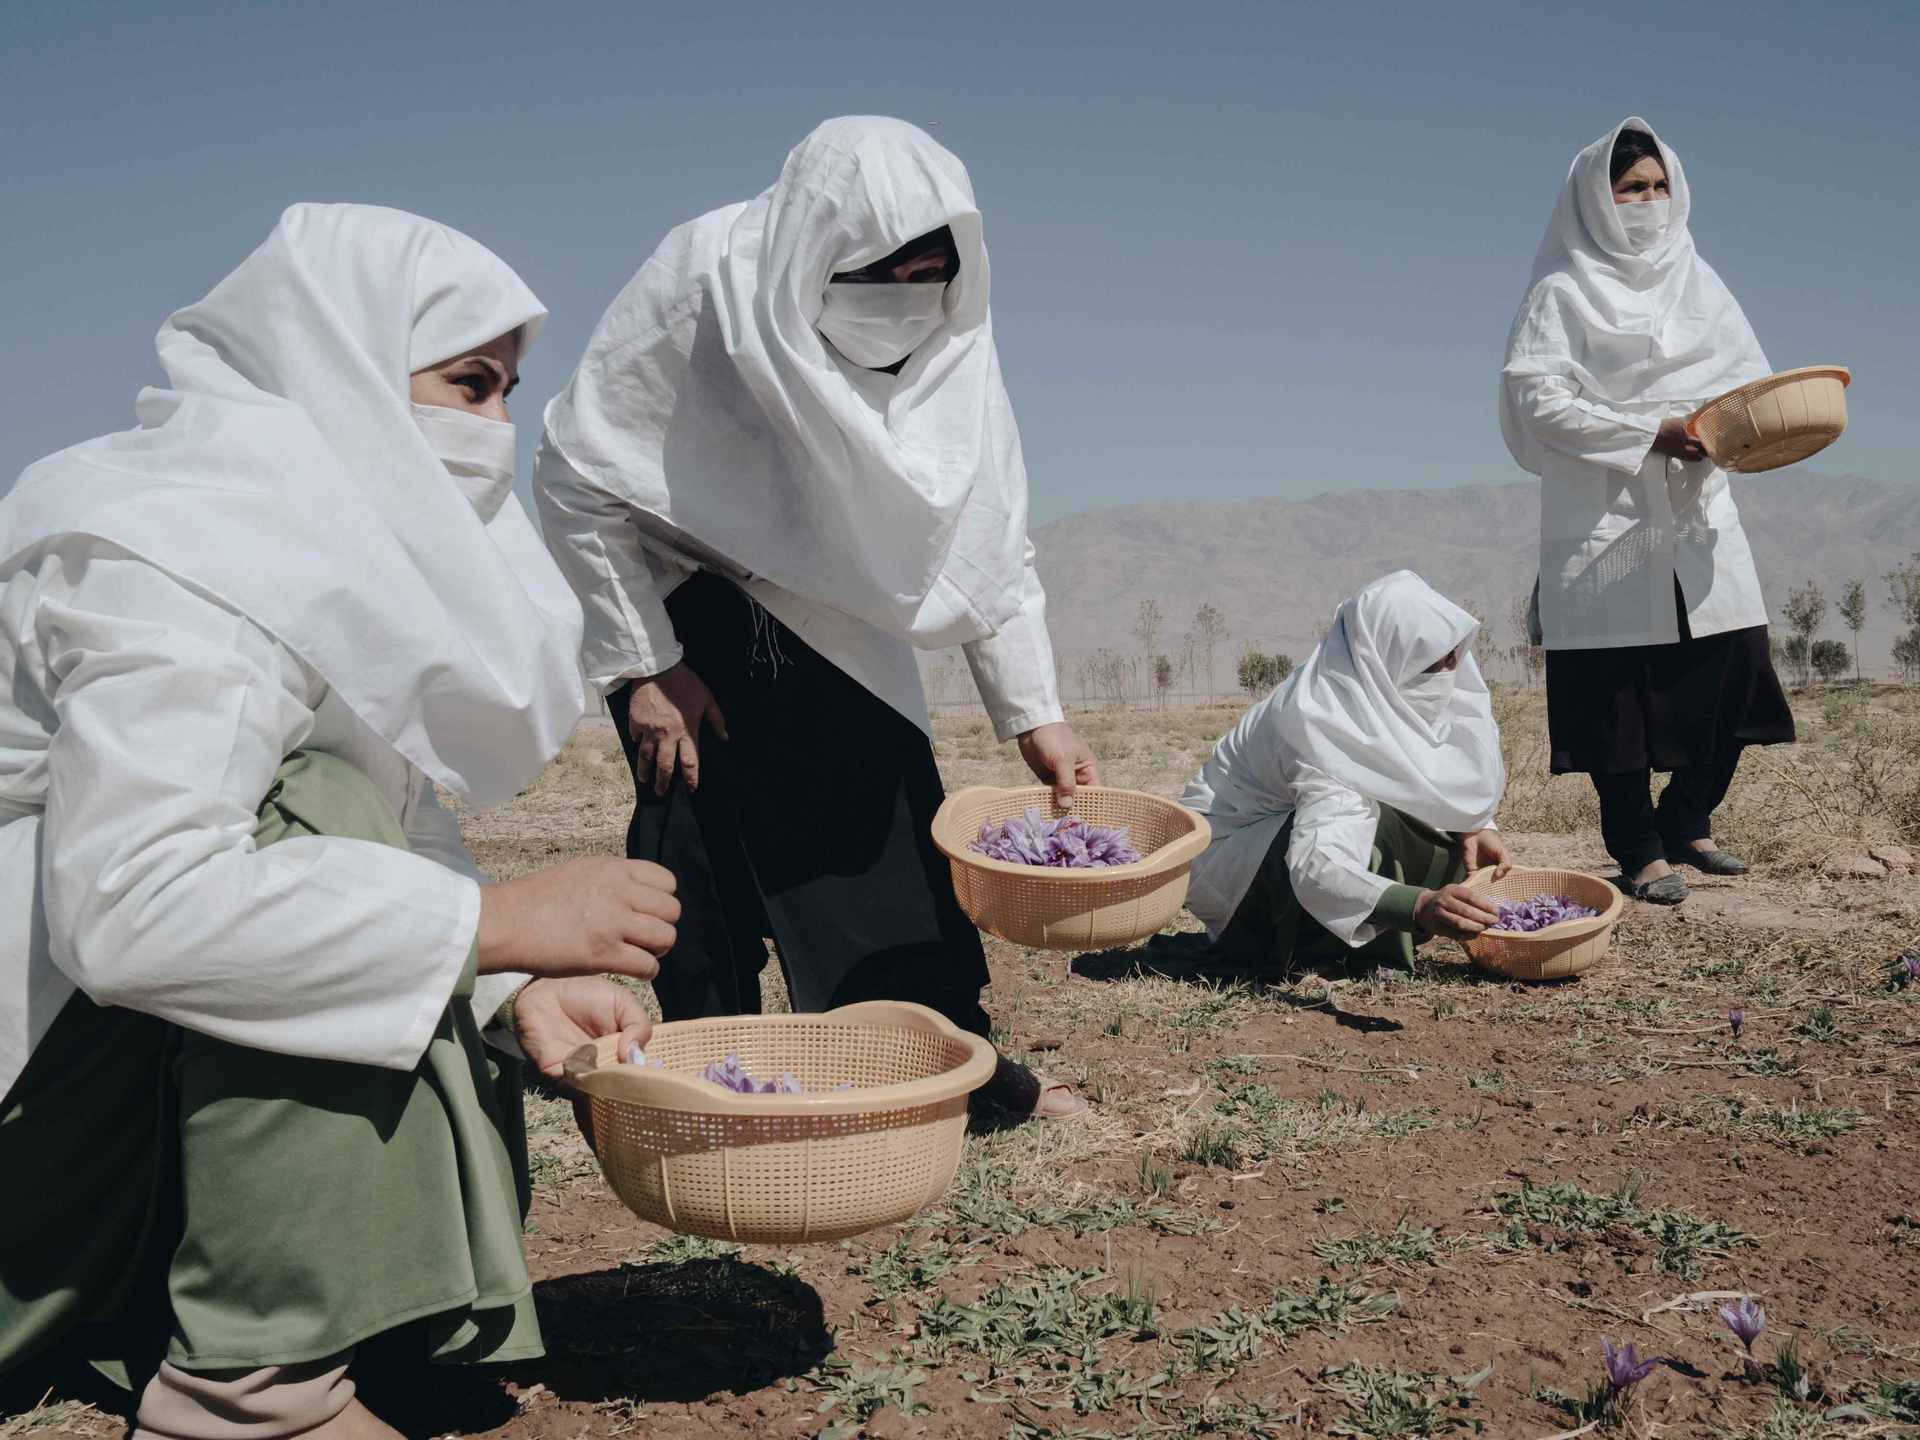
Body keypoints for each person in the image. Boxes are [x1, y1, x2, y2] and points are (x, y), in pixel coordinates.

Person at [0, 204, 682, 1440]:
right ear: (340, 362)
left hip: (80, 1120)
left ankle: (253, 1319)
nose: (493, 432)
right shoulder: (175, 547)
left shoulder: (308, 556)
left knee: (337, 813)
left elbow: (389, 811)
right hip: (25, 1134)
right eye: (466, 386)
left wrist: (504, 985)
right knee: (314, 815)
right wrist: (495, 919)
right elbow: (136, 907)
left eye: (506, 394)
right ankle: (249, 1400)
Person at [536, 116, 1097, 1117]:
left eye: (930, 277)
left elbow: (985, 536)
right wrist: (644, 669)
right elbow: (579, 475)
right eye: (878, 280)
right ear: (809, 259)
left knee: (883, 846)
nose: (906, 308)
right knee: (694, 859)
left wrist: (1035, 713)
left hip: (843, 620)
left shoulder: (954, 337)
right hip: (681, 608)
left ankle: (946, 1083)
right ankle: (699, 1088)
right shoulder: (701, 290)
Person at [1500, 117, 1794, 903]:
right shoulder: (1562, 290)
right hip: (1606, 519)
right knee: (1615, 692)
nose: (1650, 203)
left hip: (1699, 516)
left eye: (1660, 188)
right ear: (1598, 199)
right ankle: (1636, 846)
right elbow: (1538, 401)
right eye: (1633, 189)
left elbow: (1750, 385)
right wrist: (1649, 430)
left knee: (1737, 669)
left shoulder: (1702, 283)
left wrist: (1722, 430)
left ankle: (1688, 819)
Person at [1180, 572, 1511, 976]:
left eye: (1452, 658)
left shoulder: (1376, 691)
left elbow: (1437, 766)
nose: (1447, 673)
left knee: (1450, 850)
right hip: (1235, 874)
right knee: (1381, 821)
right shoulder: (1320, 724)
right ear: (1383, 661)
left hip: (1288, 842)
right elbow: (1317, 863)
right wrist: (1418, 905)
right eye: (1429, 664)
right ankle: (1324, 948)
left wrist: (1475, 827)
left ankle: (1364, 933)